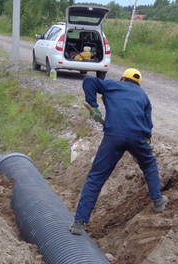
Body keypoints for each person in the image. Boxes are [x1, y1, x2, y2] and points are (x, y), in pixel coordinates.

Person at [69, 68, 168, 235]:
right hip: (138, 137)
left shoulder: (112, 85)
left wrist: (93, 105)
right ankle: (158, 201)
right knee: (149, 164)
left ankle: (79, 223)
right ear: (139, 84)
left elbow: (88, 81)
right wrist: (144, 146)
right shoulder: (143, 96)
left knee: (96, 178)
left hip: (113, 137)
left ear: (123, 78)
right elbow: (148, 125)